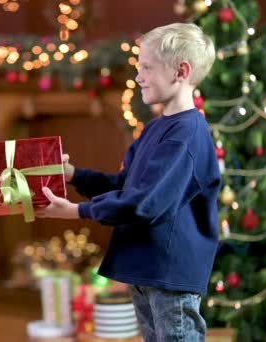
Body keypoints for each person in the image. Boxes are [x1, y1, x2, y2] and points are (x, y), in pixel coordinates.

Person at [36, 23, 220, 341]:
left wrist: (78, 212)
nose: (138, 77)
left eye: (147, 68)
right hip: (144, 267)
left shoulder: (187, 136)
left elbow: (146, 204)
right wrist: (74, 175)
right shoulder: (155, 129)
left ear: (181, 71)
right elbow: (126, 187)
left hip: (169, 273)